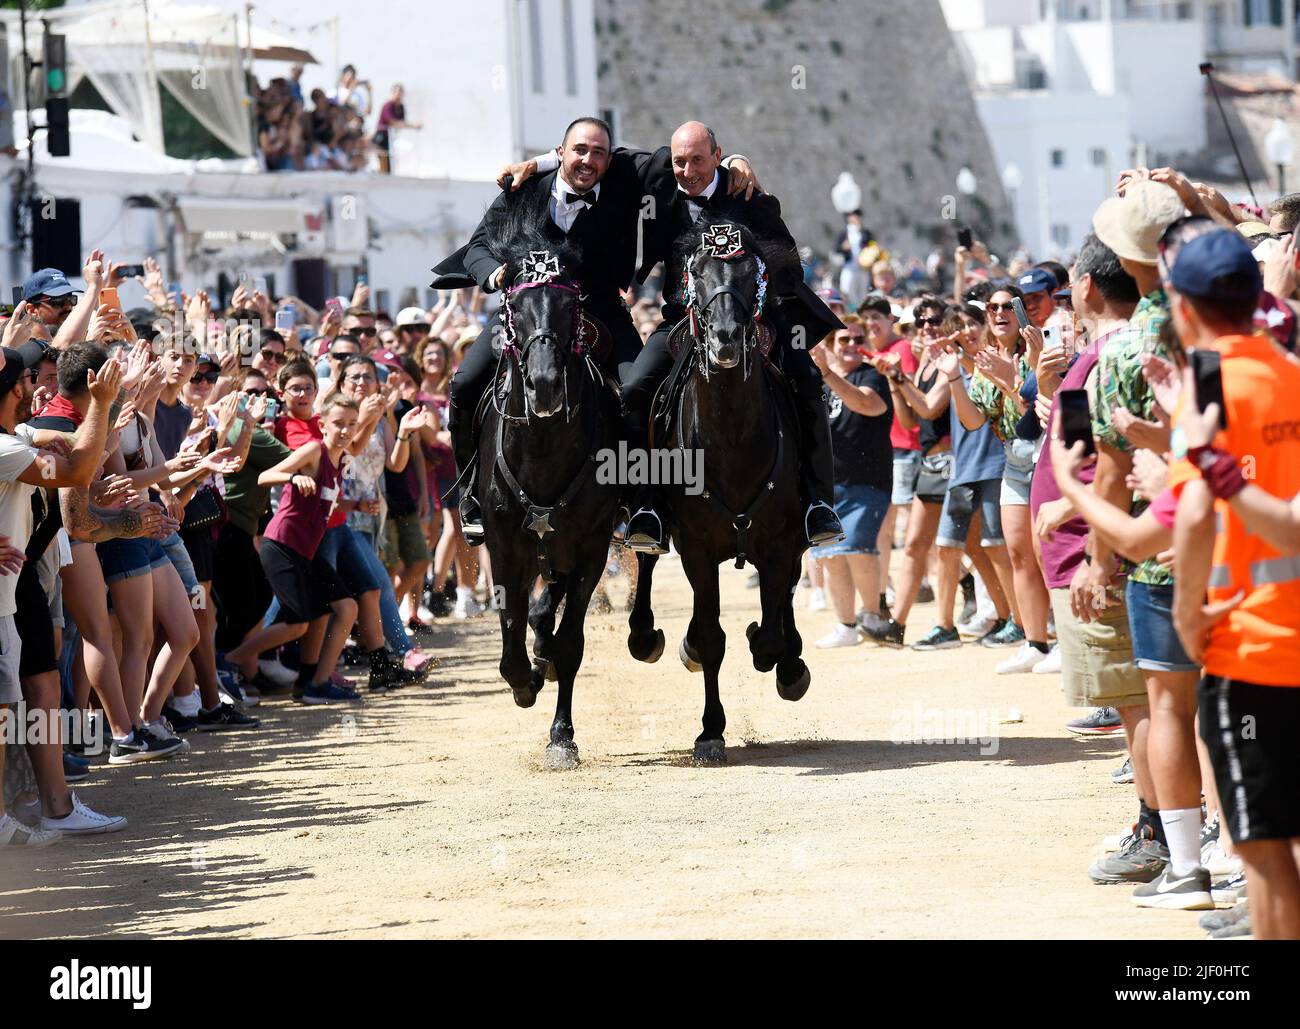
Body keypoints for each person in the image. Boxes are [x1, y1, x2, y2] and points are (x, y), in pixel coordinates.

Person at [437, 116, 759, 545]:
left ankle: (640, 499)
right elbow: (478, 246)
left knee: (636, 392)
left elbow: (687, 160)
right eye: (579, 151)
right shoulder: (524, 191)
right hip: (528, 312)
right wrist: (495, 275)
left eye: (599, 153)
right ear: (560, 153)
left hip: (600, 311)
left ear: (611, 159)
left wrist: (735, 160)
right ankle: (472, 494)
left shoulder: (626, 178)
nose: (589, 161)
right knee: (464, 384)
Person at [613, 121, 844, 552]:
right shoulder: (662, 195)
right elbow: (618, 158)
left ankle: (818, 504)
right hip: (684, 321)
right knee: (633, 390)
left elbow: (788, 263)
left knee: (809, 384)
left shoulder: (751, 198)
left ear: (718, 156)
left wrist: (755, 297)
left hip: (757, 322)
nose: (687, 170)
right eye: (680, 161)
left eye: (698, 160)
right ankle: (645, 506)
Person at [1165, 228, 1300, 936]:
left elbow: (1192, 516)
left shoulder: (1207, 392)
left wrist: (1188, 616)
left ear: (1183, 309)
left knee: (1266, 850)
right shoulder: (1292, 373)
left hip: (1251, 653)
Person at [809, 321, 891, 647]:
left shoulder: (872, 375)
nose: (852, 344)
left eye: (859, 338)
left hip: (867, 482)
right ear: (831, 342)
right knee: (829, 554)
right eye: (845, 338)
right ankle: (846, 626)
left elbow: (868, 404)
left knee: (858, 548)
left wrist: (827, 373)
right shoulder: (819, 382)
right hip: (827, 485)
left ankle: (872, 617)